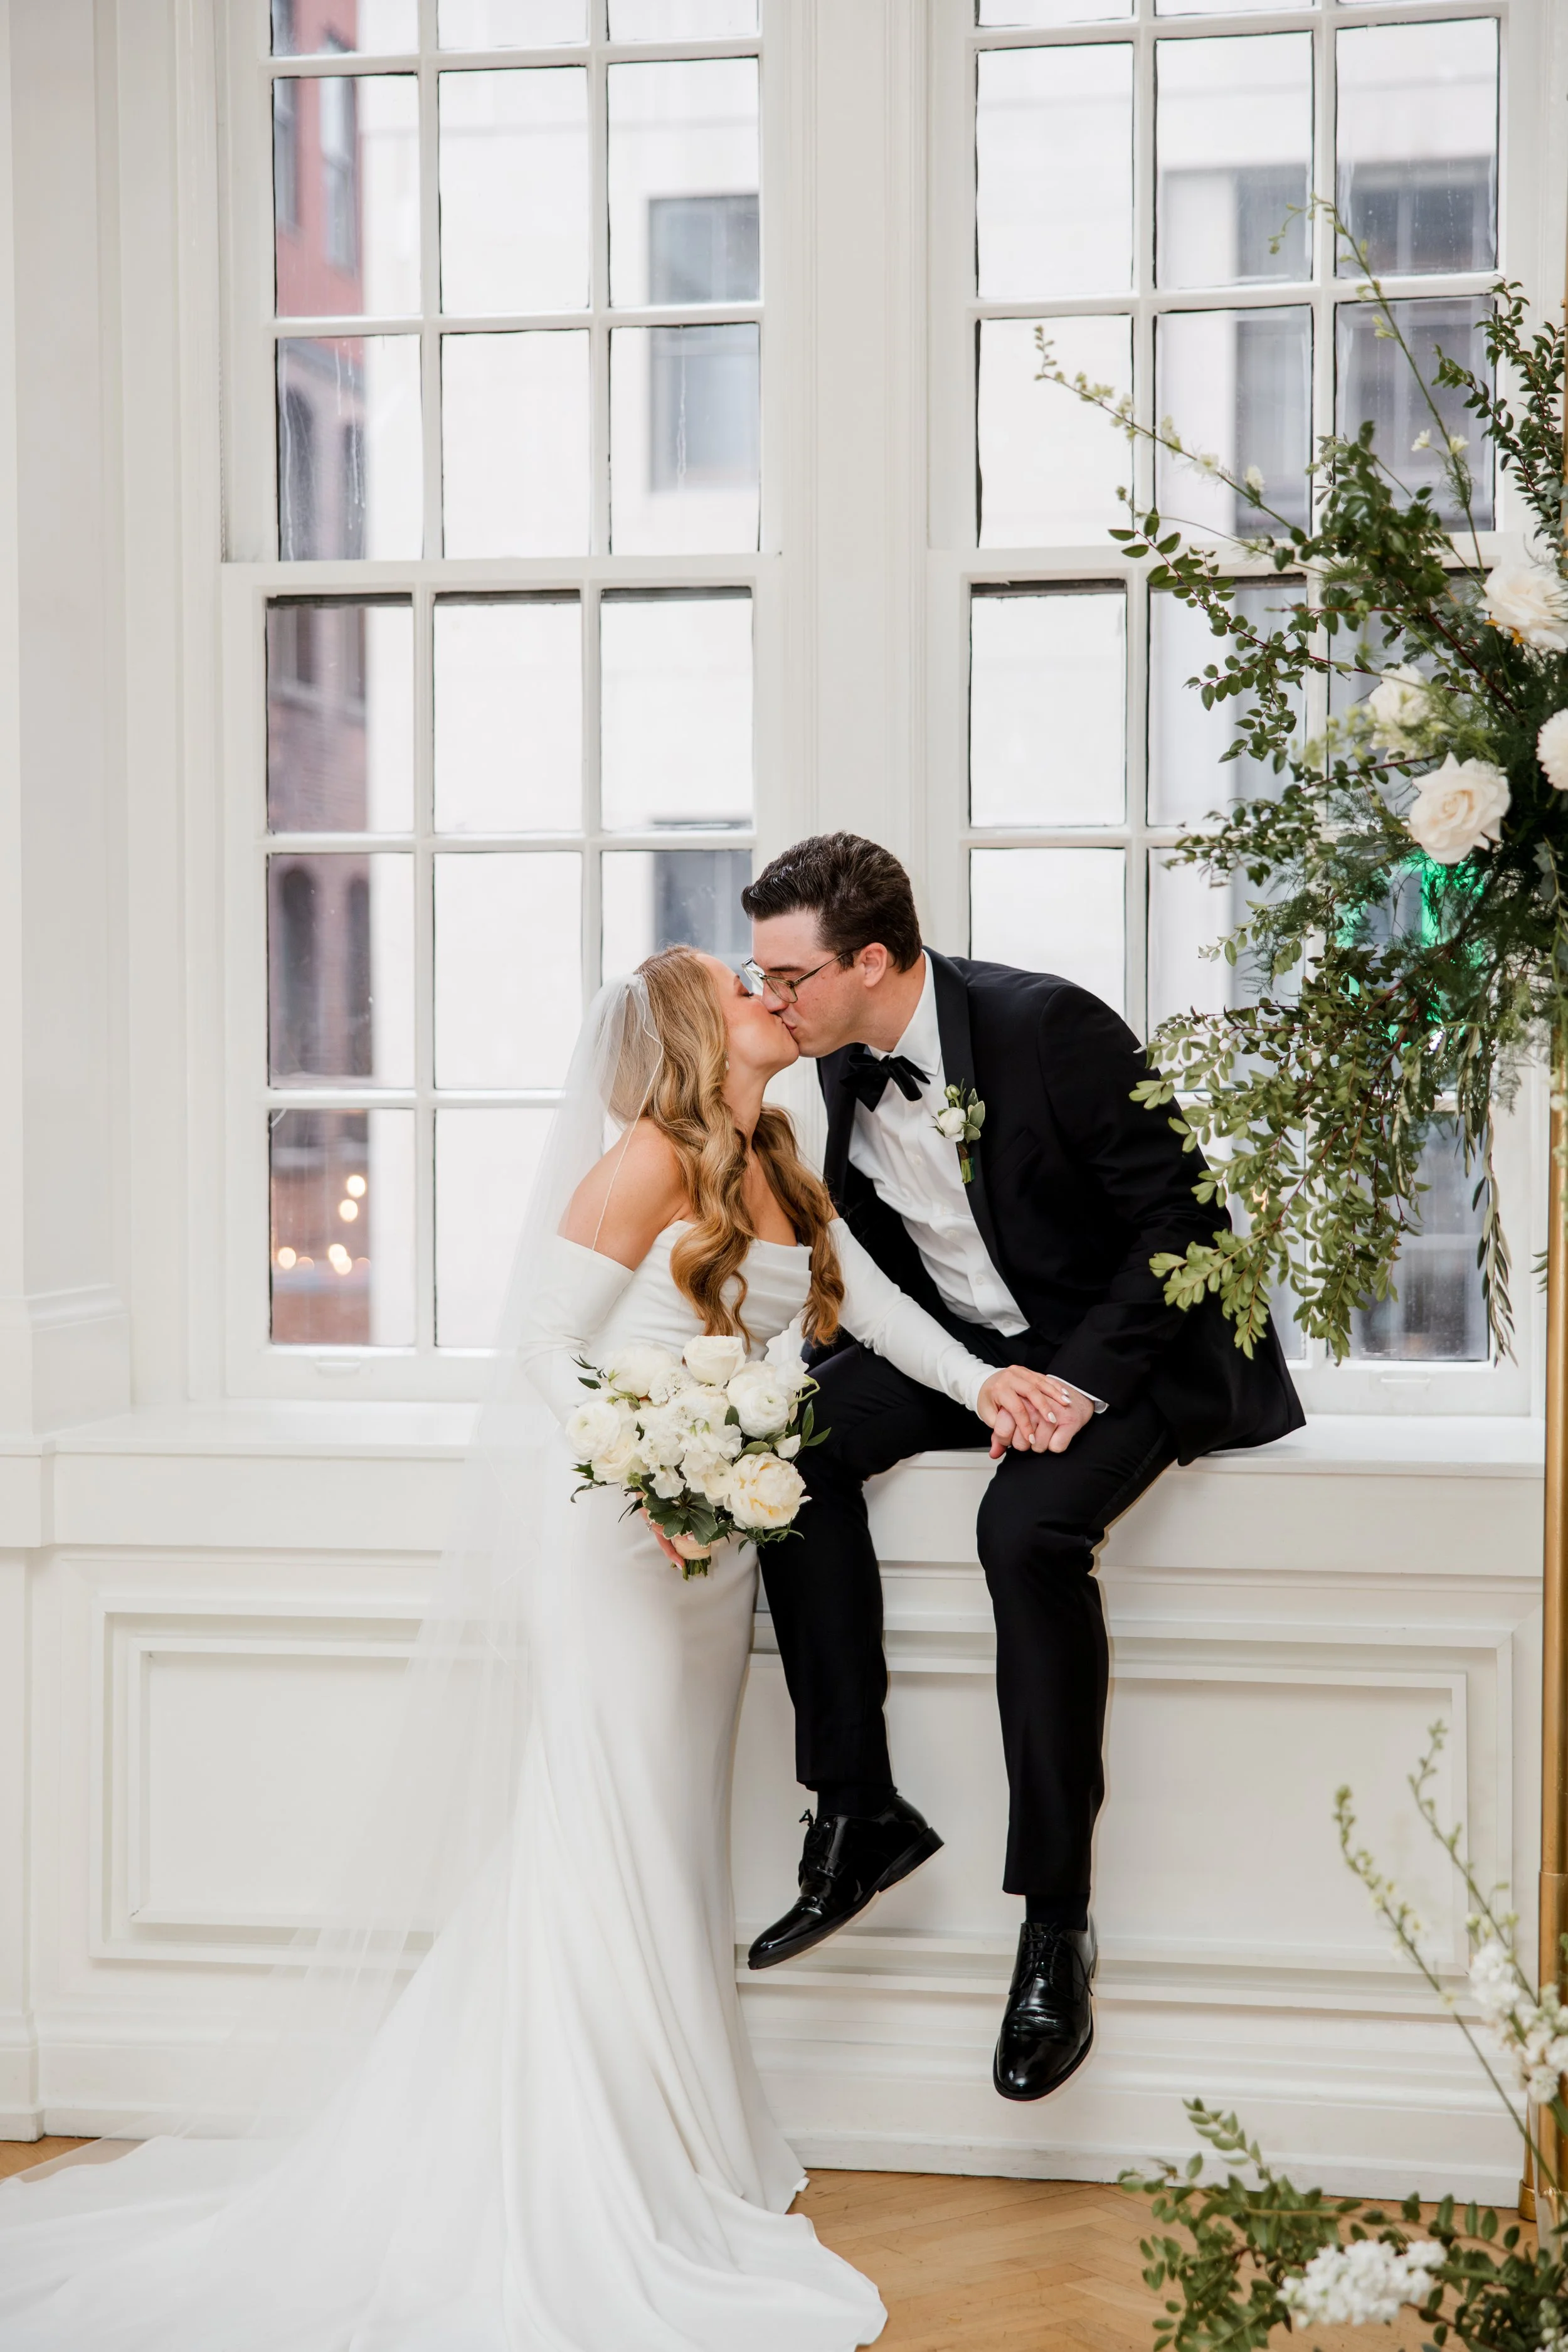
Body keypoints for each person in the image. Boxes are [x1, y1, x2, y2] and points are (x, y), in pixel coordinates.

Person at [0, 946, 1067, 2352]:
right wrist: (650, 1471)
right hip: (618, 1551)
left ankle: (673, 2141)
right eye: (745, 984)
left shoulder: (779, 1148)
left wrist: (985, 1379)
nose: (772, 992)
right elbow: (542, 1355)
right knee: (600, 1835)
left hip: (705, 1549)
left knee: (666, 1842)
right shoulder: (639, 1161)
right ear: (699, 1028)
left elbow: (861, 1304)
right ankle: (579, 2169)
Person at [738, 834, 1305, 2103]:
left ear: (871, 961)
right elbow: (868, 1271)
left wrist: (1077, 1387)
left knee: (1025, 1534)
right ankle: (854, 1809)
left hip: (1133, 1350)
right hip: (977, 1347)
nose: (767, 1000)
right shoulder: (828, 1069)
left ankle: (1054, 1920)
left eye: (787, 977)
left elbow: (1183, 1229)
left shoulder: (1049, 1028)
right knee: (786, 1453)